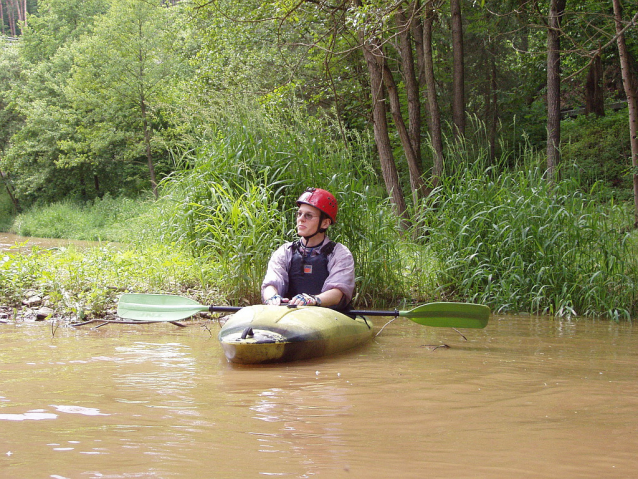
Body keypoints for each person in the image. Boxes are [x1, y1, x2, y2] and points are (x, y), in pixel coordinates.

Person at [261, 187, 355, 311]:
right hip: (290, 314)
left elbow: (338, 293)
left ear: (325, 223)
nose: (301, 219)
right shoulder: (285, 251)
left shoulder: (339, 253)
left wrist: (313, 300)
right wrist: (272, 297)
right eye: (299, 214)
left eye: (309, 216)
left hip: (328, 316)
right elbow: (271, 283)